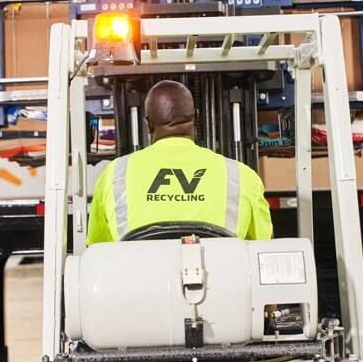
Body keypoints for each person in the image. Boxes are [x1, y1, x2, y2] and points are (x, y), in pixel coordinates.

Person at [86, 80, 272, 245]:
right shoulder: (242, 175)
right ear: (196, 118)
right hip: (223, 282)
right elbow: (263, 249)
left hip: (139, 282)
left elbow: (98, 249)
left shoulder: (114, 174)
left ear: (148, 124)